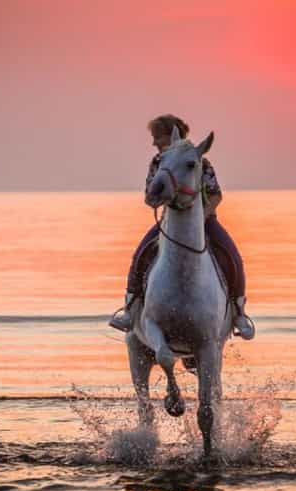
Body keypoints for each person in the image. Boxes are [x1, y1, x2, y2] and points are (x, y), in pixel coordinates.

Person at [108, 114, 255, 340]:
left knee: (233, 256)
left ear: (174, 137)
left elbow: (216, 195)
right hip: (170, 222)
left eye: (159, 137)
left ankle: (238, 312)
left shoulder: (200, 163)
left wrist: (201, 217)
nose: (154, 143)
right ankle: (130, 307)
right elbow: (150, 196)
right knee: (141, 254)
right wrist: (157, 197)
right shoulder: (158, 164)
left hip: (206, 221)